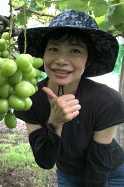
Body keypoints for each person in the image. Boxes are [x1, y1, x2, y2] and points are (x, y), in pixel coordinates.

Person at [15, 9, 124, 187]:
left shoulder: (108, 100)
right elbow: (45, 161)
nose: (61, 60)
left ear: (88, 60)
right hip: (67, 173)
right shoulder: (29, 97)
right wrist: (54, 123)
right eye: (53, 49)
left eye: (75, 51)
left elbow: (98, 166)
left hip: (113, 174)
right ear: (43, 55)